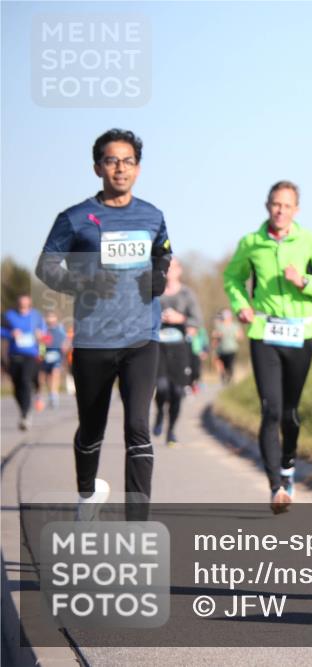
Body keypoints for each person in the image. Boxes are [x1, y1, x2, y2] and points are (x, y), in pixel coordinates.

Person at [35, 128, 171, 521]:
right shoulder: (75, 219)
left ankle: (137, 525)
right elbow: (45, 266)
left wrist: (159, 273)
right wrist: (83, 281)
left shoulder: (152, 215)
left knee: (137, 427)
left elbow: (163, 250)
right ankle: (87, 494)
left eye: (127, 161)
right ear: (97, 167)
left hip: (141, 338)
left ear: (138, 169)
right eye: (111, 160)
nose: (120, 168)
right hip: (94, 340)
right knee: (91, 429)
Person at [223, 180, 312, 514]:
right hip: (264, 332)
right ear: (267, 206)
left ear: (296, 210)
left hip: (300, 334)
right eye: (275, 204)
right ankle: (276, 486)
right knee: (271, 409)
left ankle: (288, 464)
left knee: (290, 413)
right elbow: (232, 278)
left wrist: (304, 281)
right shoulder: (251, 243)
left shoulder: (311, 242)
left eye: (287, 205)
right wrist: (240, 304)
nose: (280, 210)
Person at [153, 258, 202, 447]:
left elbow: (196, 321)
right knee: (162, 386)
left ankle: (171, 430)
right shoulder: (155, 291)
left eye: (173, 267)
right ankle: (158, 414)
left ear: (179, 270)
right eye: (166, 267)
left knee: (177, 391)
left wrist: (180, 318)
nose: (169, 271)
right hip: (158, 346)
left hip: (180, 348)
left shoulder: (187, 294)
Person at [1, 295, 46, 430]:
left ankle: (25, 414)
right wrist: (10, 333)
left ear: (30, 304)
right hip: (14, 355)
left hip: (31, 355)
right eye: (21, 304)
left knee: (26, 381)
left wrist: (41, 347)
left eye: (26, 305)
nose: (23, 307)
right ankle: (23, 410)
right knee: (16, 386)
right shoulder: (9, 315)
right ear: (17, 304)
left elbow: (44, 334)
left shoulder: (36, 316)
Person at [39, 311, 70, 408]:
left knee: (55, 373)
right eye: (48, 317)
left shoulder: (60, 328)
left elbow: (66, 339)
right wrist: (41, 353)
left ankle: (54, 396)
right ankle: (41, 394)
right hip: (46, 353)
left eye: (52, 317)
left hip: (57, 353)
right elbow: (41, 343)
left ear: (56, 318)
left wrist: (65, 346)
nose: (50, 319)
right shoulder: (43, 329)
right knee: (43, 376)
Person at [212, 308, 241, 384]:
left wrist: (237, 336)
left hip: (231, 349)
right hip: (221, 349)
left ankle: (229, 377)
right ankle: (224, 376)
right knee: (221, 365)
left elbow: (240, 336)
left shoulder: (235, 325)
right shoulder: (219, 326)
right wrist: (214, 344)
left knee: (230, 365)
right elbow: (215, 337)